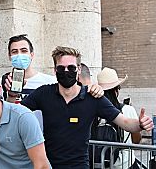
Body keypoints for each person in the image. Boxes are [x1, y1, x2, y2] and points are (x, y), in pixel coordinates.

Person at [20, 46, 154, 168]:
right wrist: (11, 95)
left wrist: (140, 124)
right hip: (49, 165)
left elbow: (124, 122)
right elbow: (18, 112)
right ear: (55, 70)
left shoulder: (92, 98)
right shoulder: (43, 93)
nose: (66, 71)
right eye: (61, 68)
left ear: (78, 69)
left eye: (71, 68)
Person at [97, 67, 141, 169]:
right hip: (124, 164)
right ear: (116, 90)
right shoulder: (127, 109)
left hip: (100, 164)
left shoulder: (94, 110)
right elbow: (136, 140)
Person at [3, 34, 56, 103]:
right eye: (14, 52)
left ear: (31, 55)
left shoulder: (50, 82)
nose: (19, 55)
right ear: (10, 56)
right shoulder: (2, 83)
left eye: (24, 51)